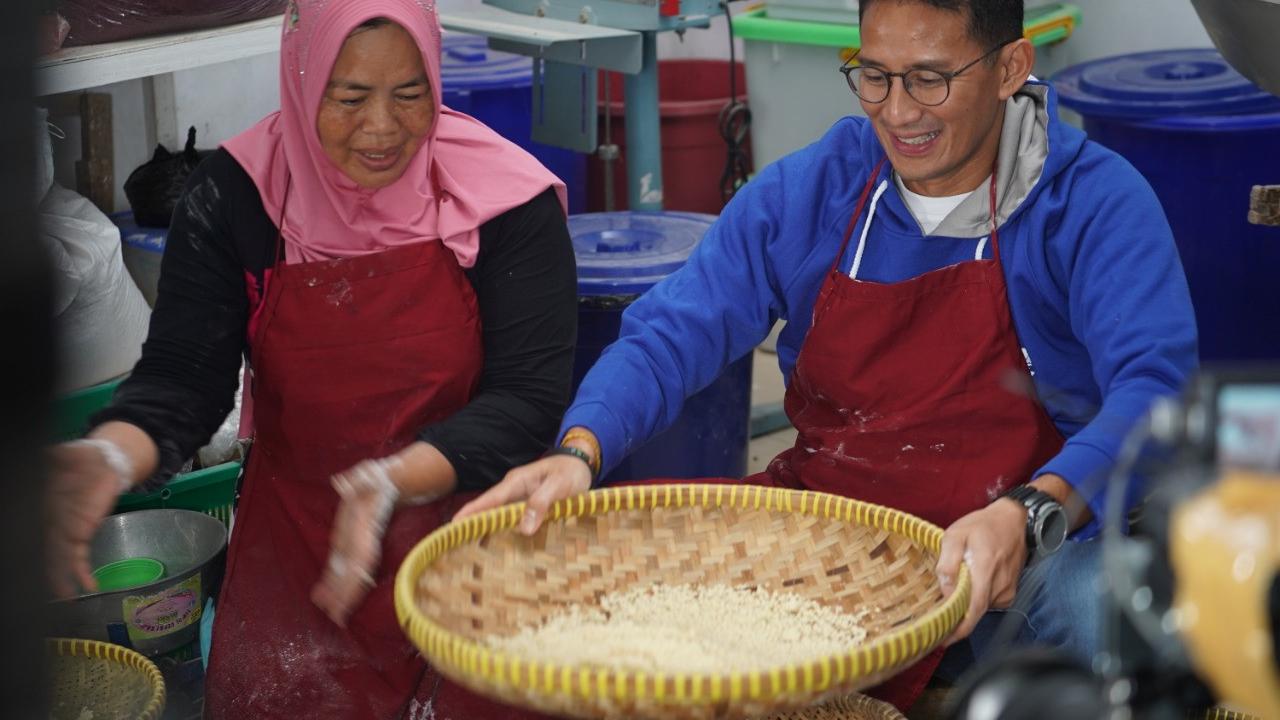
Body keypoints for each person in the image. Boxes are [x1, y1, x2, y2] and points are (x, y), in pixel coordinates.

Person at [458, 0, 1198, 711]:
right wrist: (580, 447)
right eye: (874, 74)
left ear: (1010, 68)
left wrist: (1035, 508)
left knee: (1106, 615)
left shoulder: (1092, 202)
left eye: (929, 78)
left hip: (1010, 560)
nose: (898, 111)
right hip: (834, 547)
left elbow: (1157, 388)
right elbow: (670, 335)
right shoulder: (817, 190)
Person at [44, 0, 577, 717]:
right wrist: (113, 454)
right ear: (301, 77)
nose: (382, 127)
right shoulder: (238, 197)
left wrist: (392, 481)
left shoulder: (504, 200)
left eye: (410, 93)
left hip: (477, 550)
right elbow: (185, 377)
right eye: (348, 96)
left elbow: (526, 399)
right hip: (303, 557)